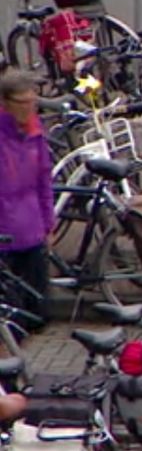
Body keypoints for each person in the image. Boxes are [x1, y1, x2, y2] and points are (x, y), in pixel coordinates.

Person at [0, 72, 53, 329]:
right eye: (23, 103)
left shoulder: (35, 134)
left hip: (32, 233)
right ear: (5, 103)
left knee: (36, 316)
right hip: (5, 240)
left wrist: (48, 224)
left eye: (33, 102)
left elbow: (44, 180)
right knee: (10, 320)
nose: (29, 108)